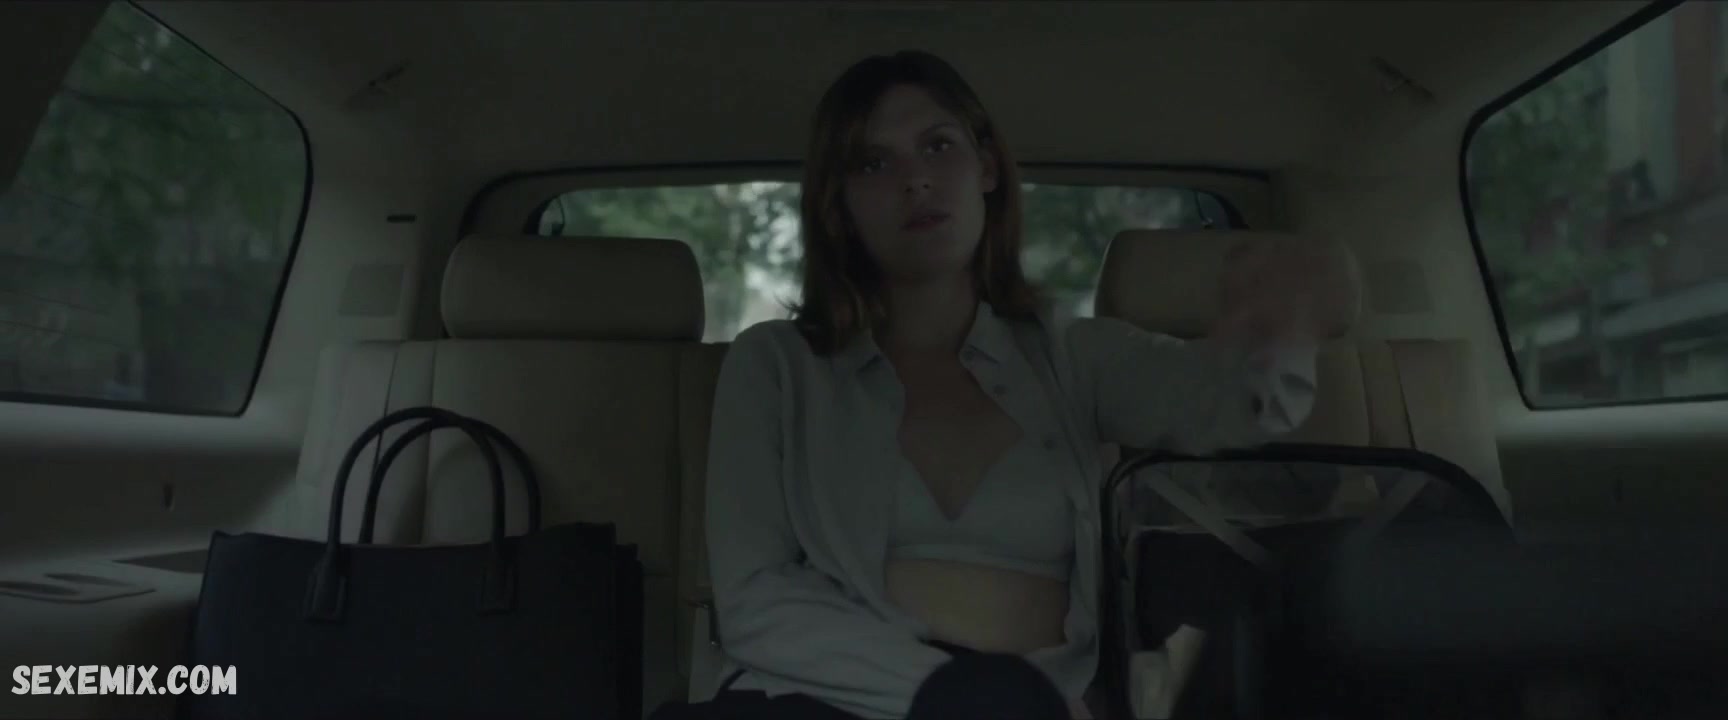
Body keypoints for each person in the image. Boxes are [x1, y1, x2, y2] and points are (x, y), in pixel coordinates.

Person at [669, 50, 1352, 720]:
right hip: (822, 702)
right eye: (873, 163)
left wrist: (1279, 326)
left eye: (938, 146)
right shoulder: (776, 365)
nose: (916, 180)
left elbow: (1223, 402)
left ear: (988, 167)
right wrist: (959, 694)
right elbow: (754, 600)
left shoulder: (1072, 358)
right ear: (839, 205)